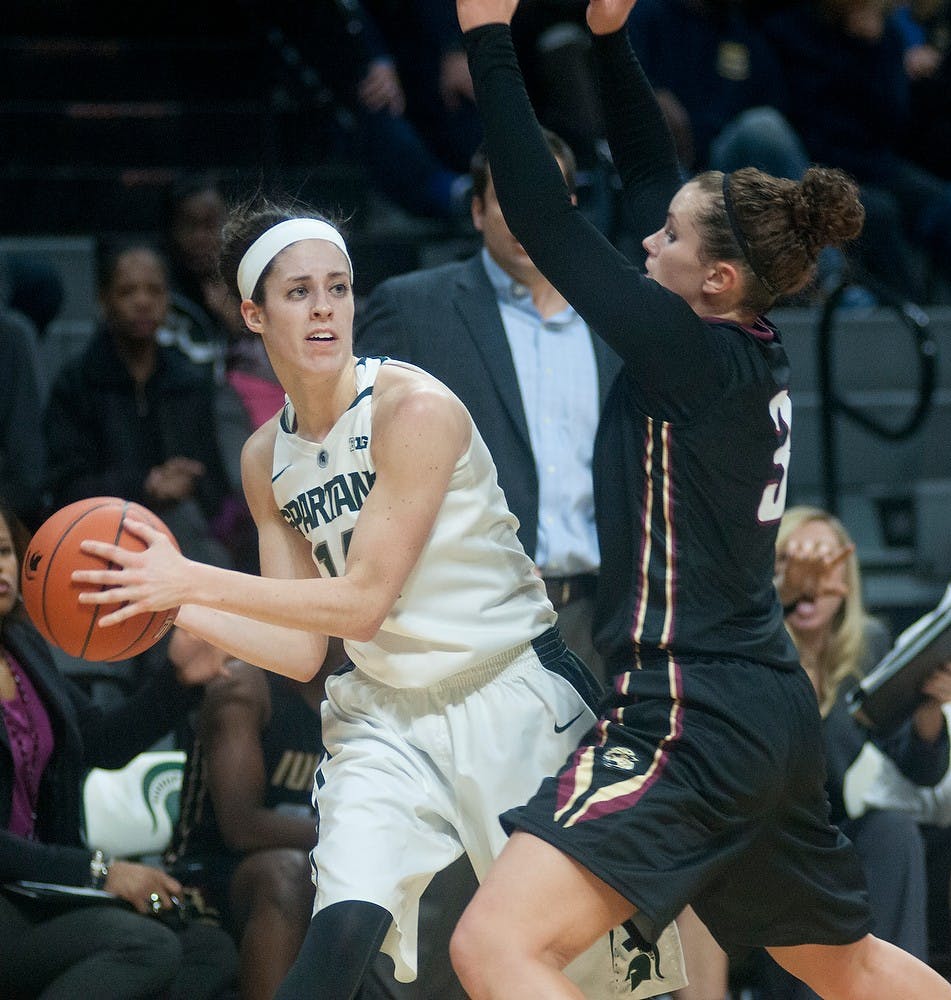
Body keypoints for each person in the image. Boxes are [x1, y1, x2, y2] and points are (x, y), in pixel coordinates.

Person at [447, 0, 951, 997]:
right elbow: (645, 178)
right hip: (763, 703)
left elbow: (546, 216)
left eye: (668, 238)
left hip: (687, 708)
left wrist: (488, 39)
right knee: (843, 967)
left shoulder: (685, 352)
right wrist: (607, 40)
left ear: (714, 276)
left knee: (494, 947)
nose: (645, 241)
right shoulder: (735, 342)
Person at [69, 205, 681, 998]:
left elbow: (359, 603)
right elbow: (298, 646)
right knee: (336, 935)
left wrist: (185, 580)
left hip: (510, 693)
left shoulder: (411, 410)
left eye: (339, 287)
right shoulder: (266, 456)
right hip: (384, 716)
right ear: (253, 313)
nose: (325, 307)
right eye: (298, 293)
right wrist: (162, 606)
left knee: (600, 976)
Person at [356, 131, 621, 684]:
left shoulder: (620, 312)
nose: (527, 213)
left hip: (605, 616)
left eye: (544, 194)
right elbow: (357, 458)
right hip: (466, 622)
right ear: (478, 211)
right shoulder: (412, 309)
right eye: (507, 198)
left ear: (571, 205)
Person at [0, 495, 239, 1000]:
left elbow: (99, 745)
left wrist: (179, 681)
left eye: (1, 551)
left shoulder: (24, 647)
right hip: (13, 894)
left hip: (40, 890)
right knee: (143, 948)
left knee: (208, 951)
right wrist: (100, 872)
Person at [42, 240, 238, 568]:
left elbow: (217, 483)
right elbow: (64, 486)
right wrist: (146, 485)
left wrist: (189, 481)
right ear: (103, 300)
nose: (143, 302)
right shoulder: (78, 382)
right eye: (128, 292)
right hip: (101, 536)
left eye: (154, 291)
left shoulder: (189, 380)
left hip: (185, 535)